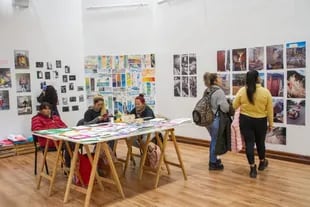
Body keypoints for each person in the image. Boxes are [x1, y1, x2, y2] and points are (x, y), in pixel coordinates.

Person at [233, 70, 273, 178]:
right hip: (261, 121)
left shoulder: (242, 91)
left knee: (249, 144)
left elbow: (234, 105)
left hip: (245, 121)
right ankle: (262, 162)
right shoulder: (265, 92)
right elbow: (269, 110)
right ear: (257, 79)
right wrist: (271, 124)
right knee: (260, 143)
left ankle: (252, 168)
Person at [203, 72, 230, 170]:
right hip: (215, 119)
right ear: (215, 81)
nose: (221, 79)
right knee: (215, 140)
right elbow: (225, 108)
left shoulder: (207, 90)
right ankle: (213, 163)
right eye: (219, 78)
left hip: (207, 120)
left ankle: (214, 158)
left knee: (213, 140)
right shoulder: (219, 91)